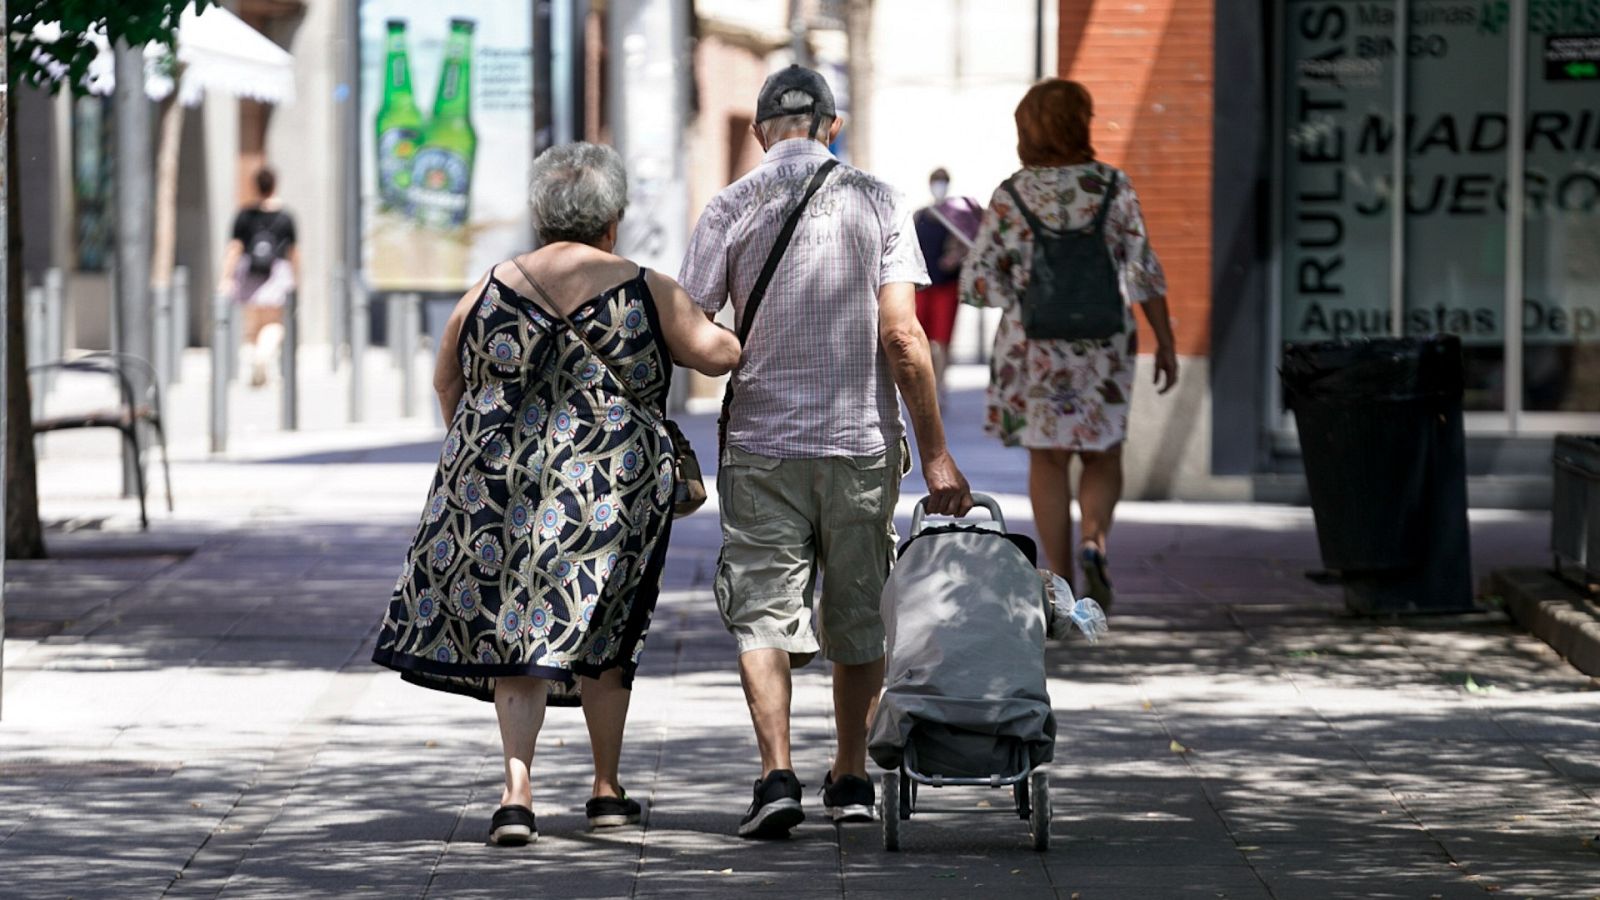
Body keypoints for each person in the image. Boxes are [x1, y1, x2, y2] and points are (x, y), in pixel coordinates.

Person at [372, 142, 741, 846]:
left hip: (503, 485)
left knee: (518, 633)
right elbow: (715, 354)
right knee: (609, 630)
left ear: (541, 215)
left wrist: (480, 448)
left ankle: (517, 794)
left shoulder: (489, 285)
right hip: (612, 491)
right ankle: (605, 791)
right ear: (613, 220)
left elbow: (447, 377)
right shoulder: (644, 286)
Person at [679, 65, 973, 840]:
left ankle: (776, 774)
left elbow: (694, 329)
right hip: (858, 445)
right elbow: (904, 336)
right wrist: (937, 454)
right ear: (832, 127)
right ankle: (849, 778)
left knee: (762, 615)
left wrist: (734, 353)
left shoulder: (728, 205)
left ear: (759, 132)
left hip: (761, 446)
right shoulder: (878, 201)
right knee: (858, 613)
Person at [959, 79, 1178, 612]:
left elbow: (976, 284)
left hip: (1034, 348)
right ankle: (1094, 543)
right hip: (1103, 344)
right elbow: (1144, 271)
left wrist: (1019, 287)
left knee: (1049, 460)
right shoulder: (1112, 187)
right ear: (1079, 124)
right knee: (1102, 453)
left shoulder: (1012, 196)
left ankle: (1059, 579)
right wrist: (1167, 342)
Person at [218, 167, 298, 388]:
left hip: (249, 274)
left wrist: (225, 277)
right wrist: (297, 279)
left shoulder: (244, 215)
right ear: (275, 185)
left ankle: (255, 360)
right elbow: (293, 252)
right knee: (274, 323)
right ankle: (263, 357)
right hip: (276, 273)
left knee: (252, 325)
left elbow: (234, 248)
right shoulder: (285, 218)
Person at [912, 168, 983, 395]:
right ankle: (925, 384)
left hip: (946, 286)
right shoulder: (921, 215)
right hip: (922, 286)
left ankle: (939, 386)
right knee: (920, 339)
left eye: (942, 182)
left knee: (942, 340)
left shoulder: (956, 215)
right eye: (936, 181)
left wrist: (955, 257)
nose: (939, 186)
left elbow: (970, 243)